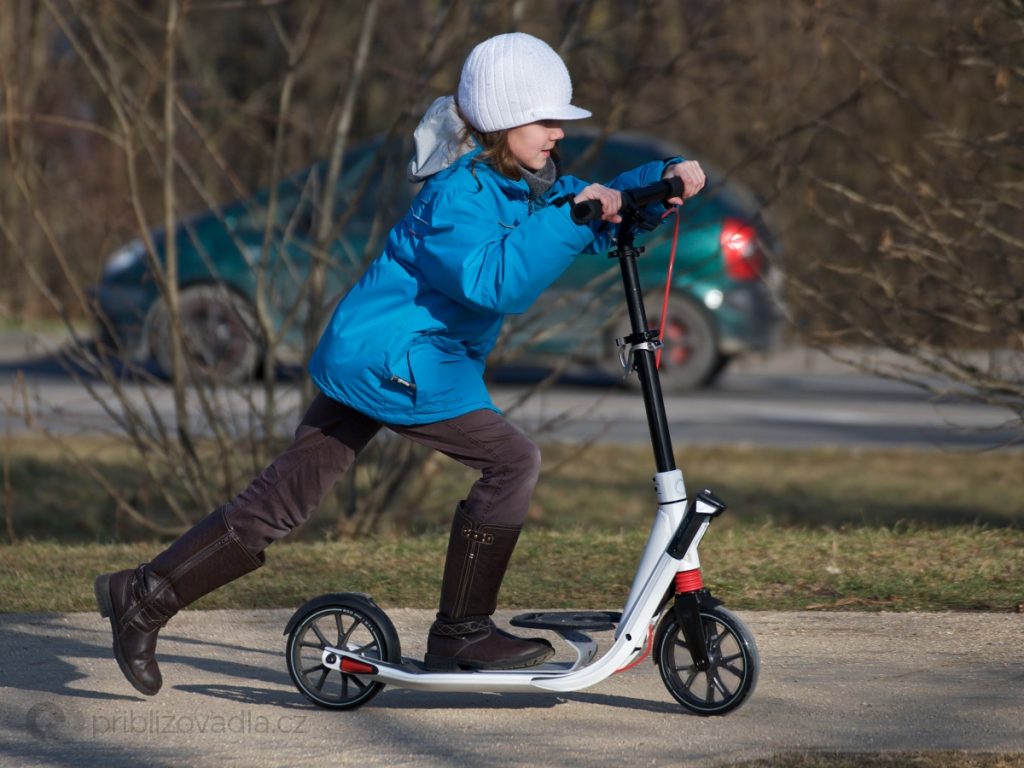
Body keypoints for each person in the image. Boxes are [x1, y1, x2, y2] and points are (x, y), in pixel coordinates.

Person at [94, 31, 706, 695]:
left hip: (383, 359)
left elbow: (584, 209)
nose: (559, 133)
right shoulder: (458, 198)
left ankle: (145, 593)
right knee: (511, 461)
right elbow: (496, 279)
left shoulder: (518, 186)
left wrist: (662, 178)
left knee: (280, 502)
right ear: (503, 123)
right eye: (547, 120)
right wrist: (575, 215)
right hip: (398, 364)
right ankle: (463, 635)